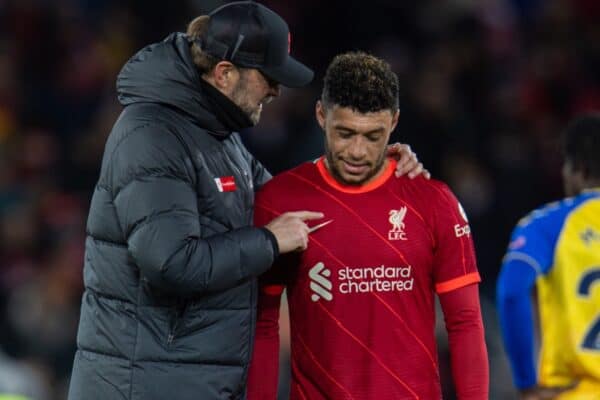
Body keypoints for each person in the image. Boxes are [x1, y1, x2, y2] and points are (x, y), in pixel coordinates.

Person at [66, 2, 425, 399]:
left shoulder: (218, 134)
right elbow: (169, 263)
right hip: (144, 385)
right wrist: (268, 242)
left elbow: (289, 201)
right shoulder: (152, 134)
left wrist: (368, 165)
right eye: (268, 77)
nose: (276, 90)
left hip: (190, 381)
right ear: (225, 74)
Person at [246, 52, 489, 400]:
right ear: (320, 116)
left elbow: (465, 323)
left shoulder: (434, 202)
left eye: (373, 136)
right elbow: (263, 325)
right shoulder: (279, 201)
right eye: (344, 133)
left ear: (393, 123)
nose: (357, 151)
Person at [497, 115, 600, 400]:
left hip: (572, 391)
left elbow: (512, 291)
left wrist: (526, 381)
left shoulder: (549, 223)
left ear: (577, 168)